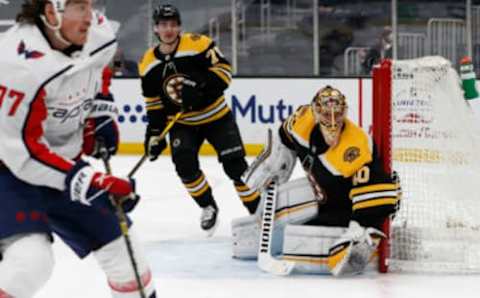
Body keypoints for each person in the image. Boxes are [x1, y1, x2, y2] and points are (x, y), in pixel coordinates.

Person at [0, 1, 156, 297]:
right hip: (7, 172)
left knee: (127, 256)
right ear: (51, 13)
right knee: (30, 262)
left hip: (61, 163)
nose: (90, 17)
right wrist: (90, 182)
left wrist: (99, 113)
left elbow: (98, 70)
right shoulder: (16, 65)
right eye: (79, 8)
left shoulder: (96, 32)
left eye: (90, 6)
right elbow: (23, 153)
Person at [233, 85, 400, 276]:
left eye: (337, 115)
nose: (331, 122)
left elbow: (381, 193)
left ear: (344, 113)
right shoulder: (301, 123)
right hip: (325, 196)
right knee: (272, 212)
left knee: (296, 246)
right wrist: (275, 164)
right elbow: (284, 137)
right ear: (314, 112)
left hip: (350, 208)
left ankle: (365, 246)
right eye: (325, 115)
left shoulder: (354, 146)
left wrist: (358, 230)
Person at [139, 4, 260, 236]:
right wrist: (154, 134)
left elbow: (224, 72)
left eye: (173, 24)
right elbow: (154, 103)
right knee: (185, 168)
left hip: (217, 118)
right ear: (155, 28)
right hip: (182, 124)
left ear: (180, 26)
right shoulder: (148, 63)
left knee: (236, 167)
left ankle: (258, 210)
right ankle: (207, 206)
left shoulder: (198, 44)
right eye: (163, 25)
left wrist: (201, 86)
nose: (168, 29)